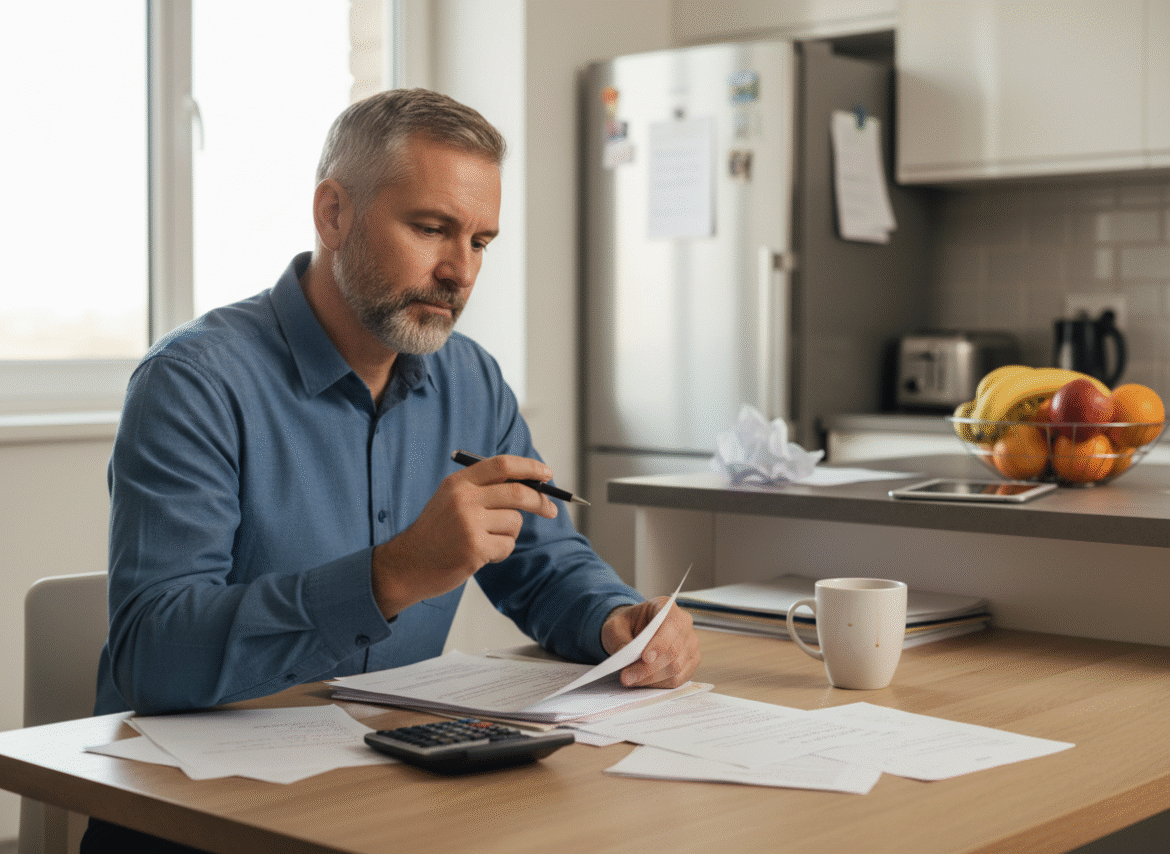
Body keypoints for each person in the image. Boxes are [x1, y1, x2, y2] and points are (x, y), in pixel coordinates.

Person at [81, 88, 700, 852]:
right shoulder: (194, 383)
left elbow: (543, 563)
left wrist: (617, 621)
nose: (459, 272)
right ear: (333, 214)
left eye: (480, 242)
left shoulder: (471, 381)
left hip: (391, 804)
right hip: (200, 819)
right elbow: (153, 655)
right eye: (432, 228)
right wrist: (392, 573)